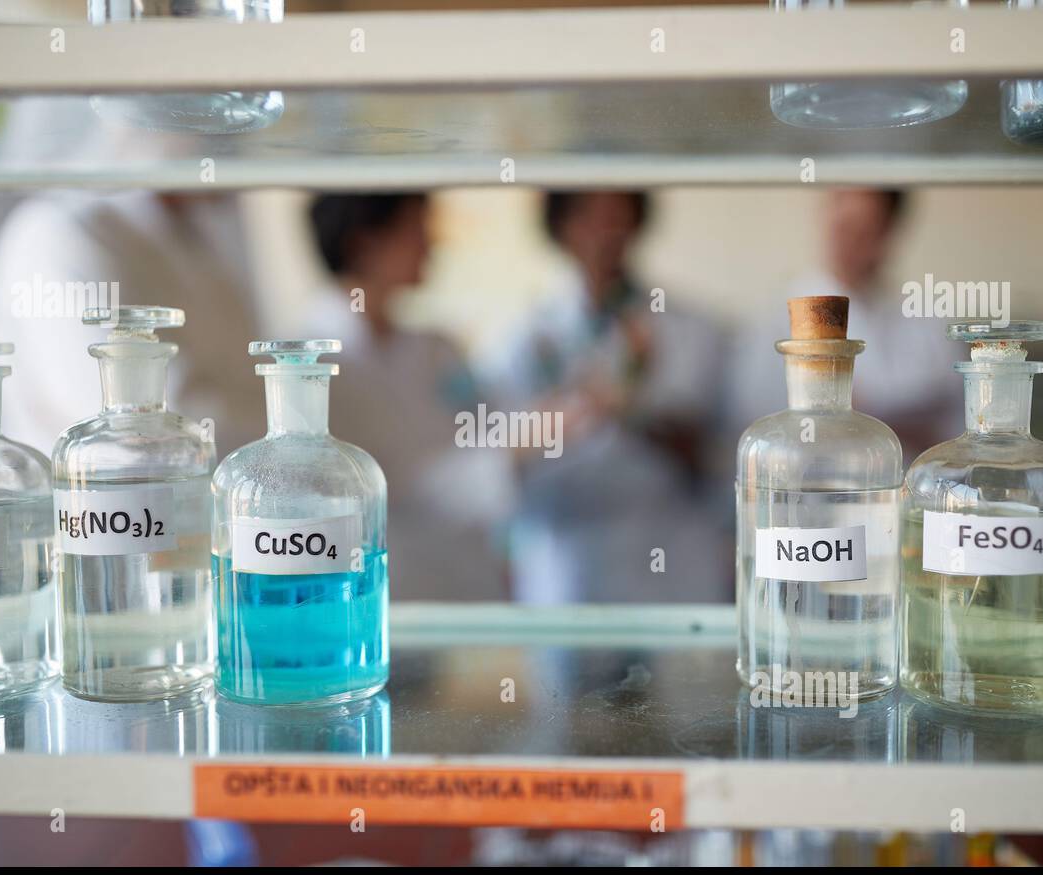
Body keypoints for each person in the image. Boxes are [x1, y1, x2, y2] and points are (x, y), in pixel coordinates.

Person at [482, 191, 734, 603]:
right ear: (560, 226)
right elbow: (495, 463)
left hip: (669, 549)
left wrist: (634, 409)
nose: (605, 231)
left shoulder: (694, 329)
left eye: (617, 214)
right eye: (587, 215)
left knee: (686, 669)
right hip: (563, 553)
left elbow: (721, 454)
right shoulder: (520, 339)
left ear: (637, 220)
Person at [295, 193, 512, 601]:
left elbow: (485, 426)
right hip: (383, 593)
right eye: (417, 230)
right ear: (364, 243)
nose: (432, 245)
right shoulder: (311, 365)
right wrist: (514, 454)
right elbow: (399, 486)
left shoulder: (437, 348)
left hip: (465, 582)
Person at [0, 191, 266, 458]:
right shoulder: (63, 231)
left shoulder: (195, 240)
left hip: (181, 505)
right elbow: (143, 427)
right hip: (104, 510)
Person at [734, 189, 961, 461]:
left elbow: (954, 432)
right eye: (843, 228)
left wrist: (853, 419)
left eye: (865, 232)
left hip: (908, 488)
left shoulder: (926, 319)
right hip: (811, 491)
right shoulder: (776, 319)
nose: (849, 244)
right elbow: (759, 427)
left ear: (890, 233)